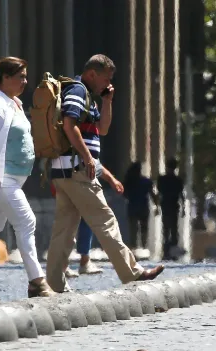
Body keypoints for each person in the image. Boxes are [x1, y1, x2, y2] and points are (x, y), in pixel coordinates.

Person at [46, 54, 164, 293]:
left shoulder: (89, 96)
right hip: (78, 169)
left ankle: (52, 284)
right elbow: (70, 126)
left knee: (65, 229)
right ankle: (132, 273)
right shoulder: (78, 91)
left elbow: (103, 130)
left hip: (66, 170)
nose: (107, 83)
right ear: (92, 74)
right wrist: (88, 157)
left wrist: (107, 101)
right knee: (105, 220)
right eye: (105, 78)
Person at [0, 57, 55, 303]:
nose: (25, 81)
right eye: (20, 77)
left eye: (25, 76)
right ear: (5, 78)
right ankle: (37, 282)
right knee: (27, 222)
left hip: (12, 177)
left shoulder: (11, 102)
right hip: (2, 178)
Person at [61, 165, 124, 277]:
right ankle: (74, 263)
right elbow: (91, 161)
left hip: (66, 177)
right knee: (83, 219)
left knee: (70, 221)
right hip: (80, 180)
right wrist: (111, 179)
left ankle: (67, 264)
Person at [123, 161, 159, 250]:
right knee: (144, 228)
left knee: (133, 229)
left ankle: (134, 247)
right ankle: (144, 246)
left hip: (132, 207)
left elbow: (125, 194)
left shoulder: (128, 182)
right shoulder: (146, 181)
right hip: (143, 207)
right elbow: (153, 194)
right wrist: (156, 206)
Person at [157, 158, 185, 259]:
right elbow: (181, 195)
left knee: (166, 228)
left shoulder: (162, 179)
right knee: (173, 228)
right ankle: (171, 249)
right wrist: (183, 208)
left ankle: (167, 250)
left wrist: (157, 205)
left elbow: (159, 193)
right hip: (173, 205)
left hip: (166, 205)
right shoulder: (178, 180)